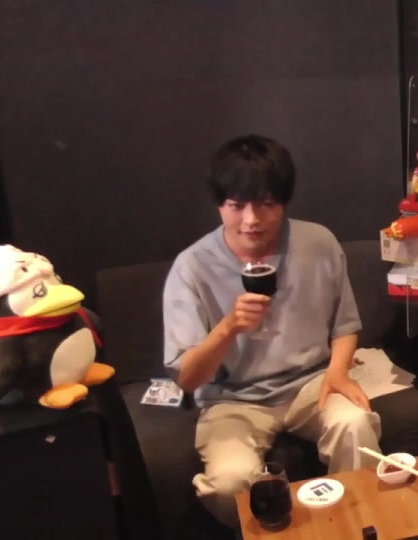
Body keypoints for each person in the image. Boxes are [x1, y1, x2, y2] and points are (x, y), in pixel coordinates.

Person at [163, 134, 381, 527]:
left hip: (312, 383)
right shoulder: (192, 267)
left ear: (283, 202)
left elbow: (345, 325)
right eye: (237, 205)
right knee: (228, 483)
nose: (252, 220)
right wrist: (229, 327)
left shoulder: (318, 243)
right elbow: (187, 378)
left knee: (356, 425)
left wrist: (337, 371)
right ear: (220, 205)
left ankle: (347, 527)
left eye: (266, 204)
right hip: (233, 399)